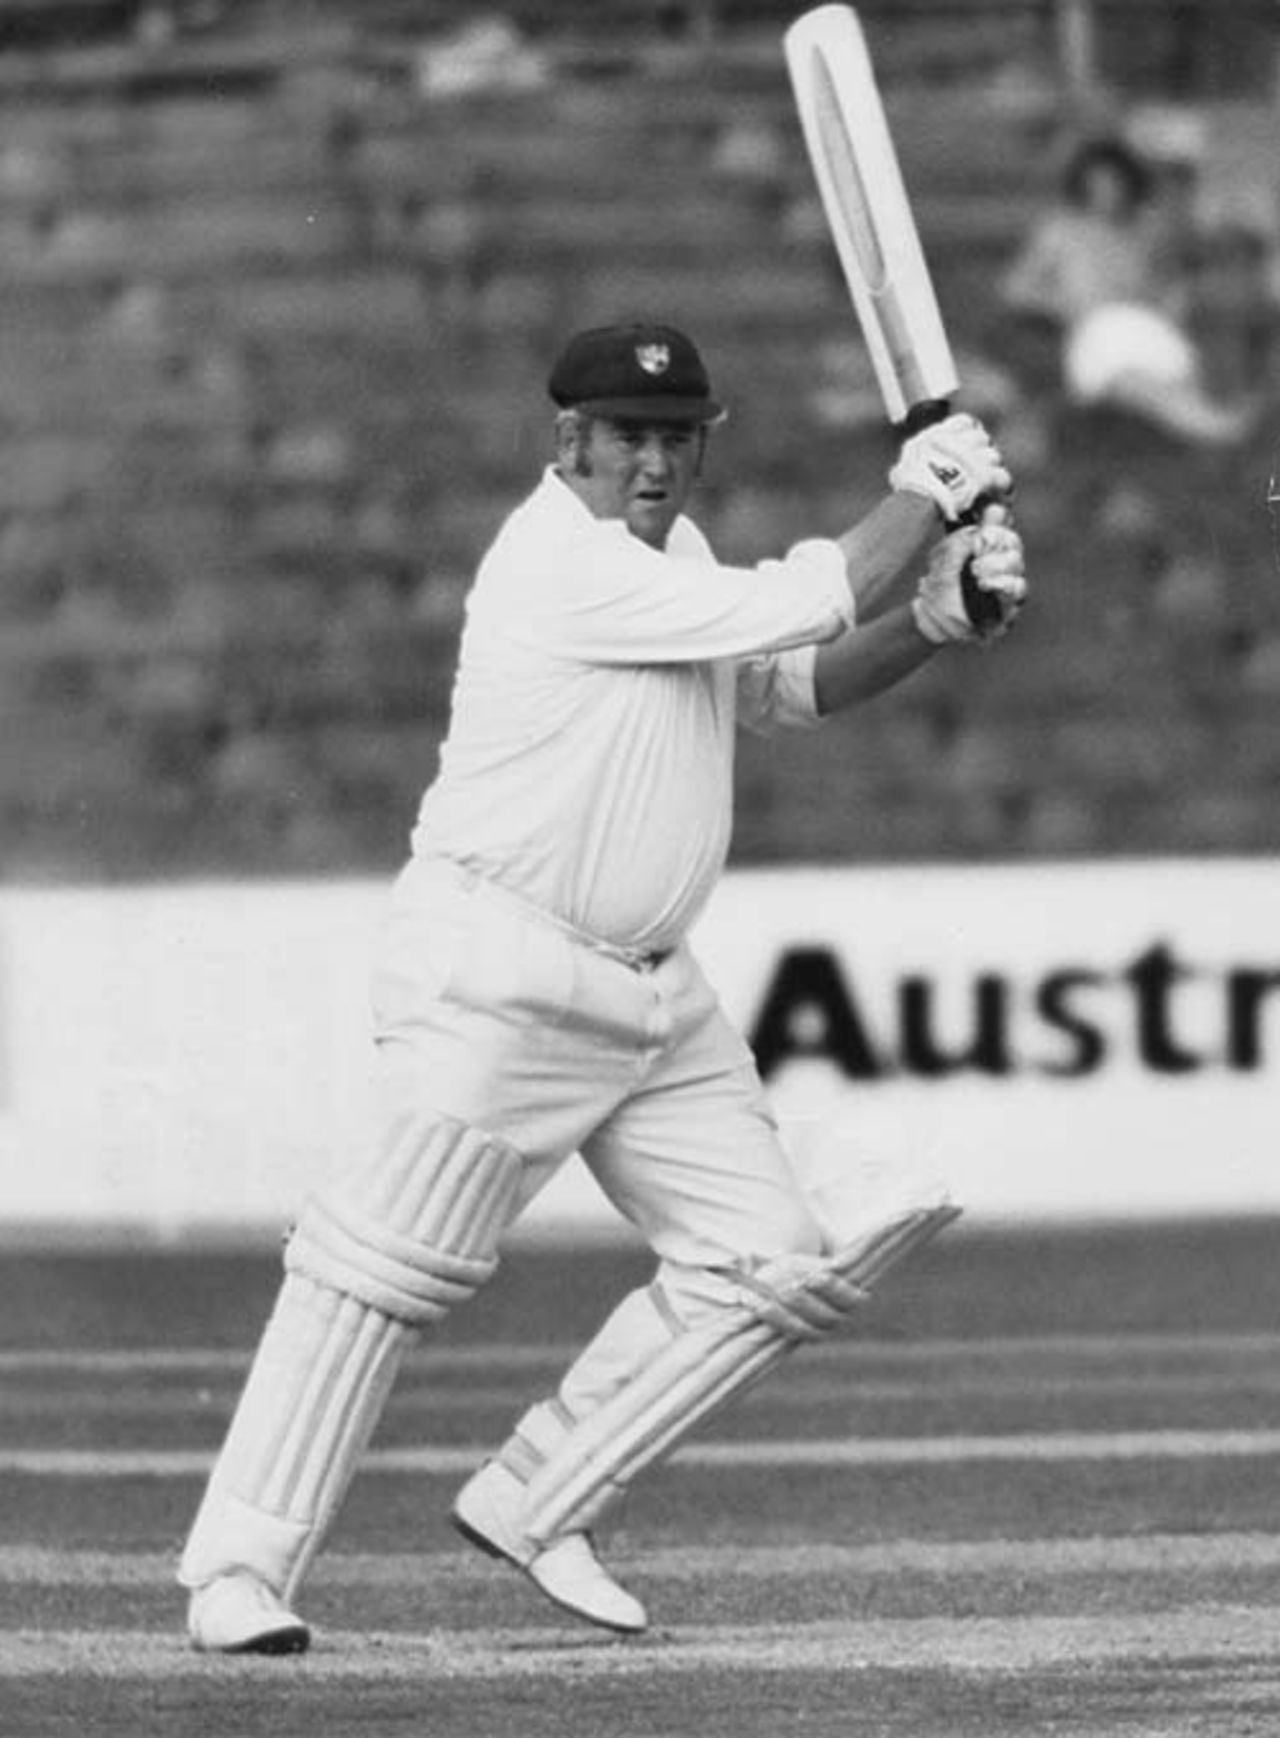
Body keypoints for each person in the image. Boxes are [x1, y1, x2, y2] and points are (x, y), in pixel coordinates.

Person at [178, 321, 1025, 1654]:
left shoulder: (672, 558)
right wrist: (924, 497)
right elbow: (804, 597)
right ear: (567, 440)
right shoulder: (554, 566)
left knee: (778, 1251)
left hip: (653, 995)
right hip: (504, 970)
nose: (655, 461)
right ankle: (237, 1572)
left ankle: (539, 1494)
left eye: (679, 436)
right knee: (374, 1273)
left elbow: (789, 682)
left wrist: (933, 620)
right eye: (629, 436)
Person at [1000, 135, 1253, 446]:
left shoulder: (1141, 233)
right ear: (1084, 184)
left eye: (1114, 183)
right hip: (1098, 332)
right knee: (1134, 381)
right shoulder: (1063, 231)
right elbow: (1016, 288)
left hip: (1145, 326)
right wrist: (1062, 306)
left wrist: (1173, 299)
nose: (1107, 192)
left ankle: (1215, 423)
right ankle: (1212, 427)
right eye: (1098, 183)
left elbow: (1163, 286)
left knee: (1173, 375)